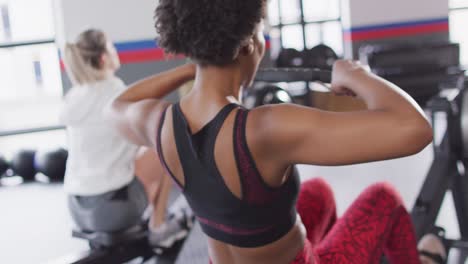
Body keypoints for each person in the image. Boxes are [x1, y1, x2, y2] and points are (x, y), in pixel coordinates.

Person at [106, 1, 446, 263]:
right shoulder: (265, 129)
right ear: (246, 44)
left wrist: (196, 67)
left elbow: (118, 105)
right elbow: (415, 128)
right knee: (383, 196)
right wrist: (358, 75)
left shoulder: (158, 122)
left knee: (319, 192)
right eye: (259, 32)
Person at [59, 29, 193, 249]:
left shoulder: (74, 97)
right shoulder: (115, 90)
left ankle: (154, 217)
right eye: (112, 47)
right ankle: (159, 226)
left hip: (76, 208)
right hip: (114, 210)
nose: (115, 51)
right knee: (169, 142)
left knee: (144, 151)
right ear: (103, 58)